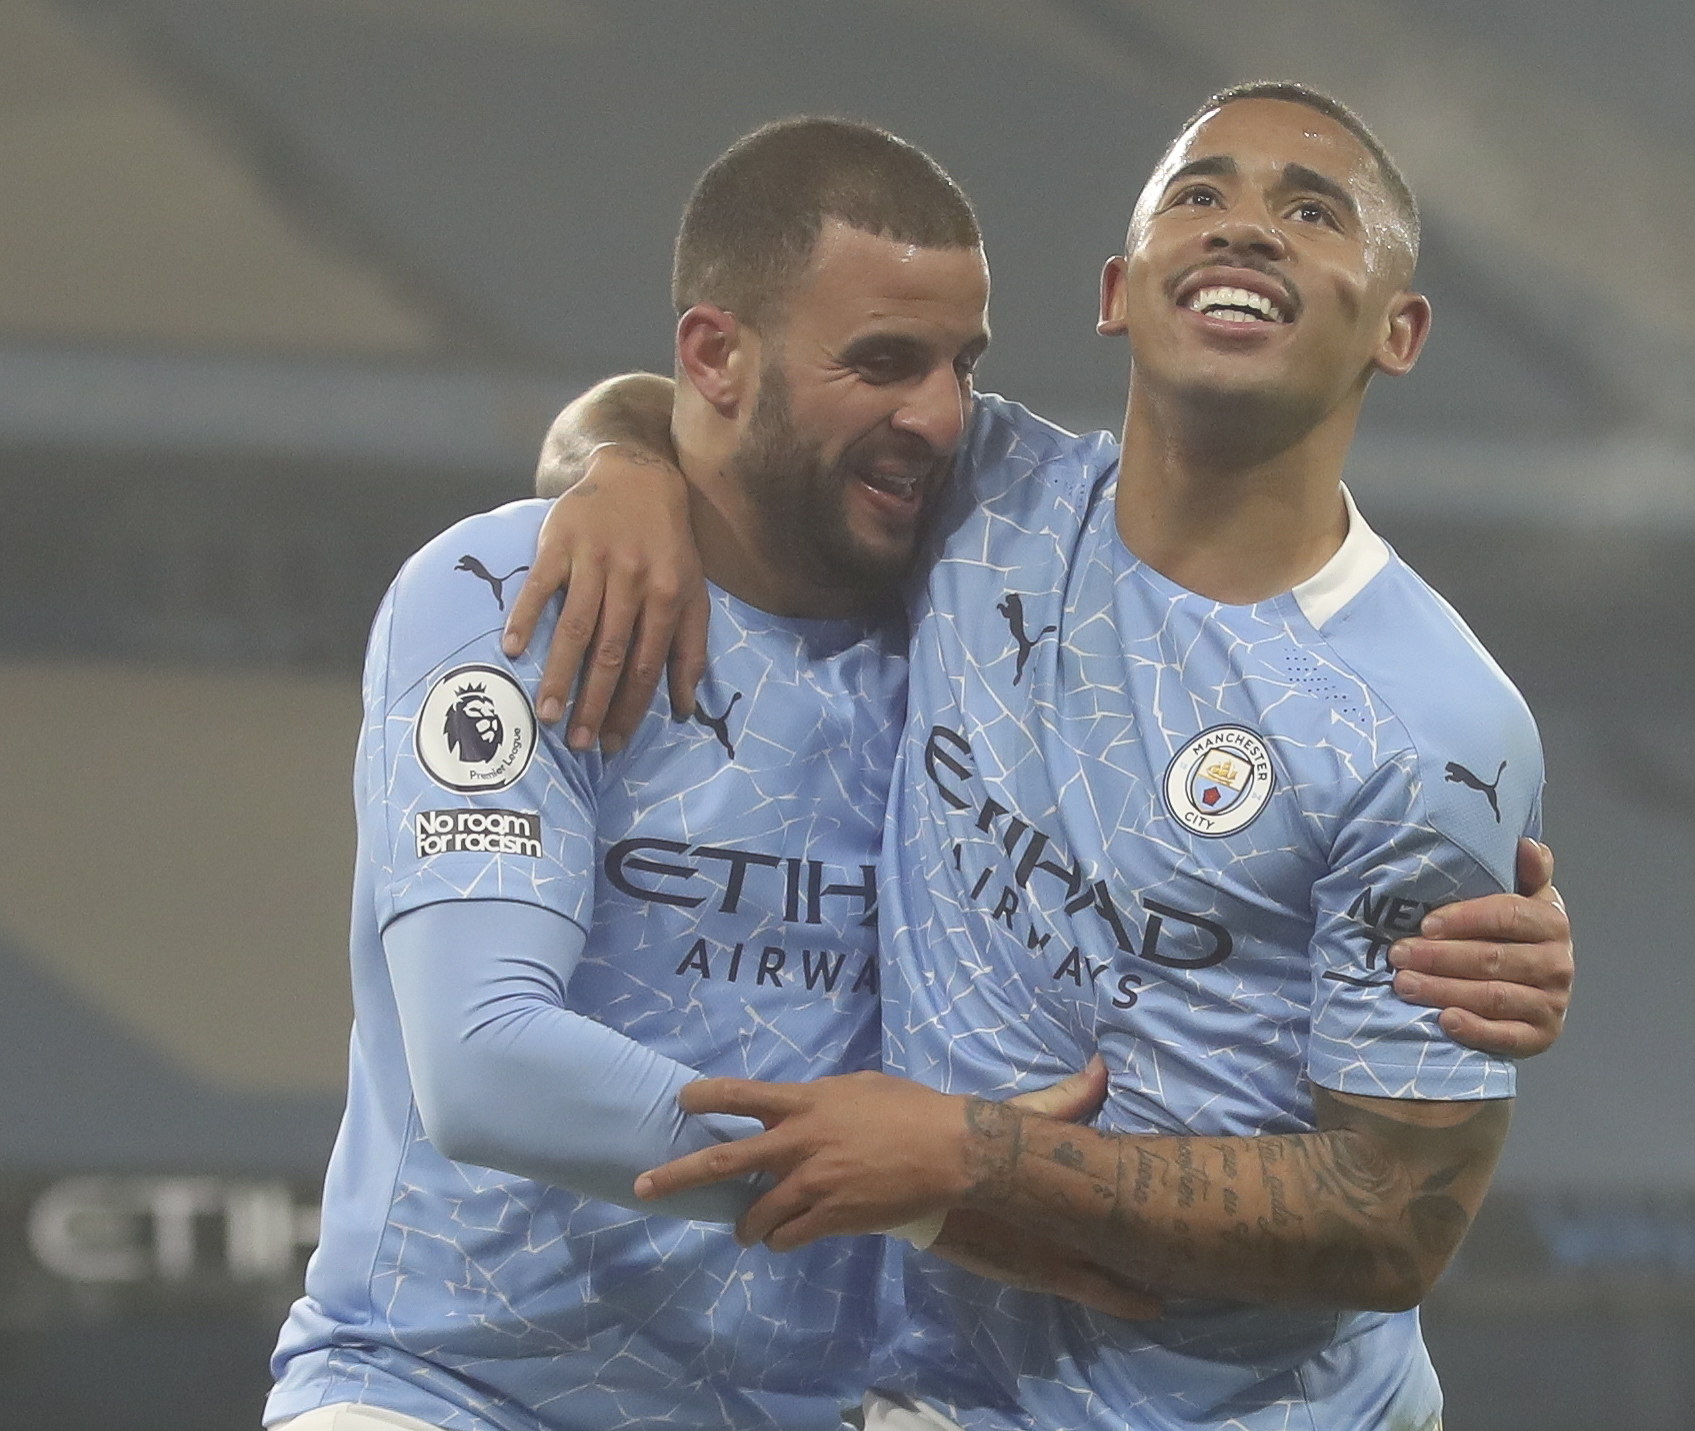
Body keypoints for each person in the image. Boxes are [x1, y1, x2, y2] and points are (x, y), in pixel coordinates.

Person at [519, 88, 1567, 1431]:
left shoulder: (1429, 722)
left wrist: (963, 1155)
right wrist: (618, 465)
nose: (1245, 228)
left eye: (1311, 212)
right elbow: (703, 406)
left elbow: (1389, 1225)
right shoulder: (980, 493)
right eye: (1201, 194)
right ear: (1119, 292)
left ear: (1399, 330)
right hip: (921, 1396)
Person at [266, 120, 1172, 1431]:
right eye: (881, 363)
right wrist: (927, 1189)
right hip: (448, 1393)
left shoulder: (972, 637)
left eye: (958, 366)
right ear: (715, 356)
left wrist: (1440, 892)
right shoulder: (514, 595)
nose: (936, 413)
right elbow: (481, 1064)